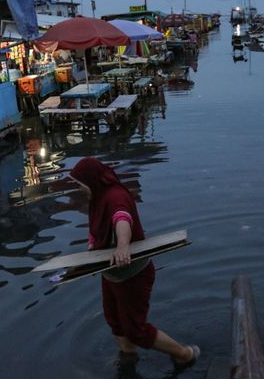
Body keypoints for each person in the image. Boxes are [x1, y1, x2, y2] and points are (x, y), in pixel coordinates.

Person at [69, 157, 200, 367]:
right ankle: (128, 355)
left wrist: (122, 246)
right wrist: (91, 253)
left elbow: (122, 220)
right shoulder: (97, 199)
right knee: (115, 320)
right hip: (112, 272)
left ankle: (185, 354)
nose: (79, 189)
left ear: (92, 180)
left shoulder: (115, 196)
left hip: (133, 273)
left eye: (80, 184)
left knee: (135, 329)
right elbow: (96, 230)